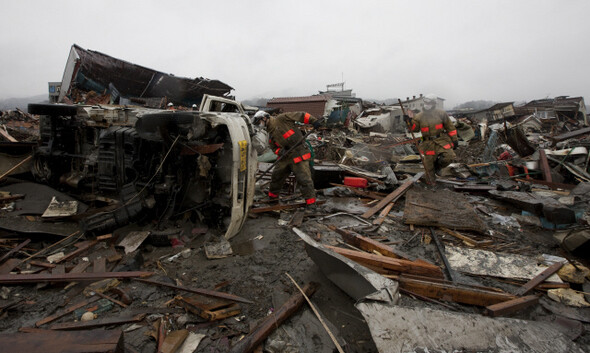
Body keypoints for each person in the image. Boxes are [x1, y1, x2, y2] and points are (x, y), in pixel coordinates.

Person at [253, 111, 323, 208]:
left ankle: (311, 204)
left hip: (298, 154)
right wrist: (280, 151)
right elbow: (273, 148)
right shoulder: (270, 133)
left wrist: (314, 121)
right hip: (285, 158)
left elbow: (301, 115)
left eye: (259, 121)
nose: (259, 124)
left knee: (304, 180)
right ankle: (272, 200)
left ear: (264, 118)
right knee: (276, 178)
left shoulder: (282, 118)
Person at [404, 94, 458, 184]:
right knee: (429, 168)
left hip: (441, 141)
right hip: (427, 144)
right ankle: (431, 187)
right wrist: (408, 122)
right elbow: (414, 129)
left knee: (450, 156)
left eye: (429, 103)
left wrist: (454, 140)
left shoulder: (441, 114)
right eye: (425, 102)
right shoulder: (419, 116)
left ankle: (438, 167)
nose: (427, 104)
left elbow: (450, 128)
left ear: (434, 103)